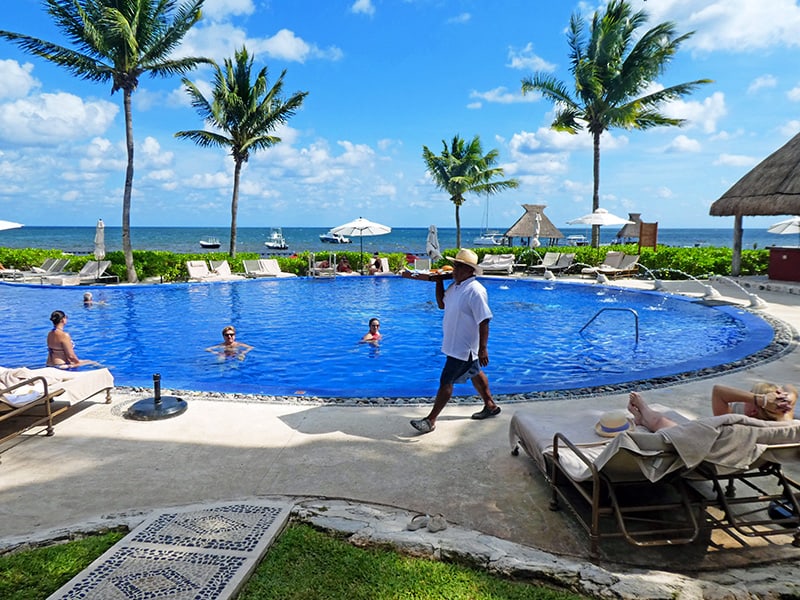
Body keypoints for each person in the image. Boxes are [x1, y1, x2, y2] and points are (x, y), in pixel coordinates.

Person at [410, 248, 500, 434]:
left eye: (458, 266)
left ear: (469, 270)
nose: (454, 269)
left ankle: (430, 420)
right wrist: (438, 282)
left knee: (446, 380)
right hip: (455, 344)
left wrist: (483, 348)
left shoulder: (475, 291)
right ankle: (490, 405)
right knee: (475, 373)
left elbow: (484, 320)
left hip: (464, 347)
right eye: (454, 265)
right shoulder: (455, 286)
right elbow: (442, 304)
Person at [628, 383, 798, 432]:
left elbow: (718, 391)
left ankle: (643, 411)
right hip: (736, 454)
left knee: (660, 421)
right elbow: (790, 388)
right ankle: (644, 417)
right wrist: (787, 398)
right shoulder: (784, 424)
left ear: (754, 409)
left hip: (705, 447)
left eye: (749, 396)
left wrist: (759, 398)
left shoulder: (734, 423)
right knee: (663, 421)